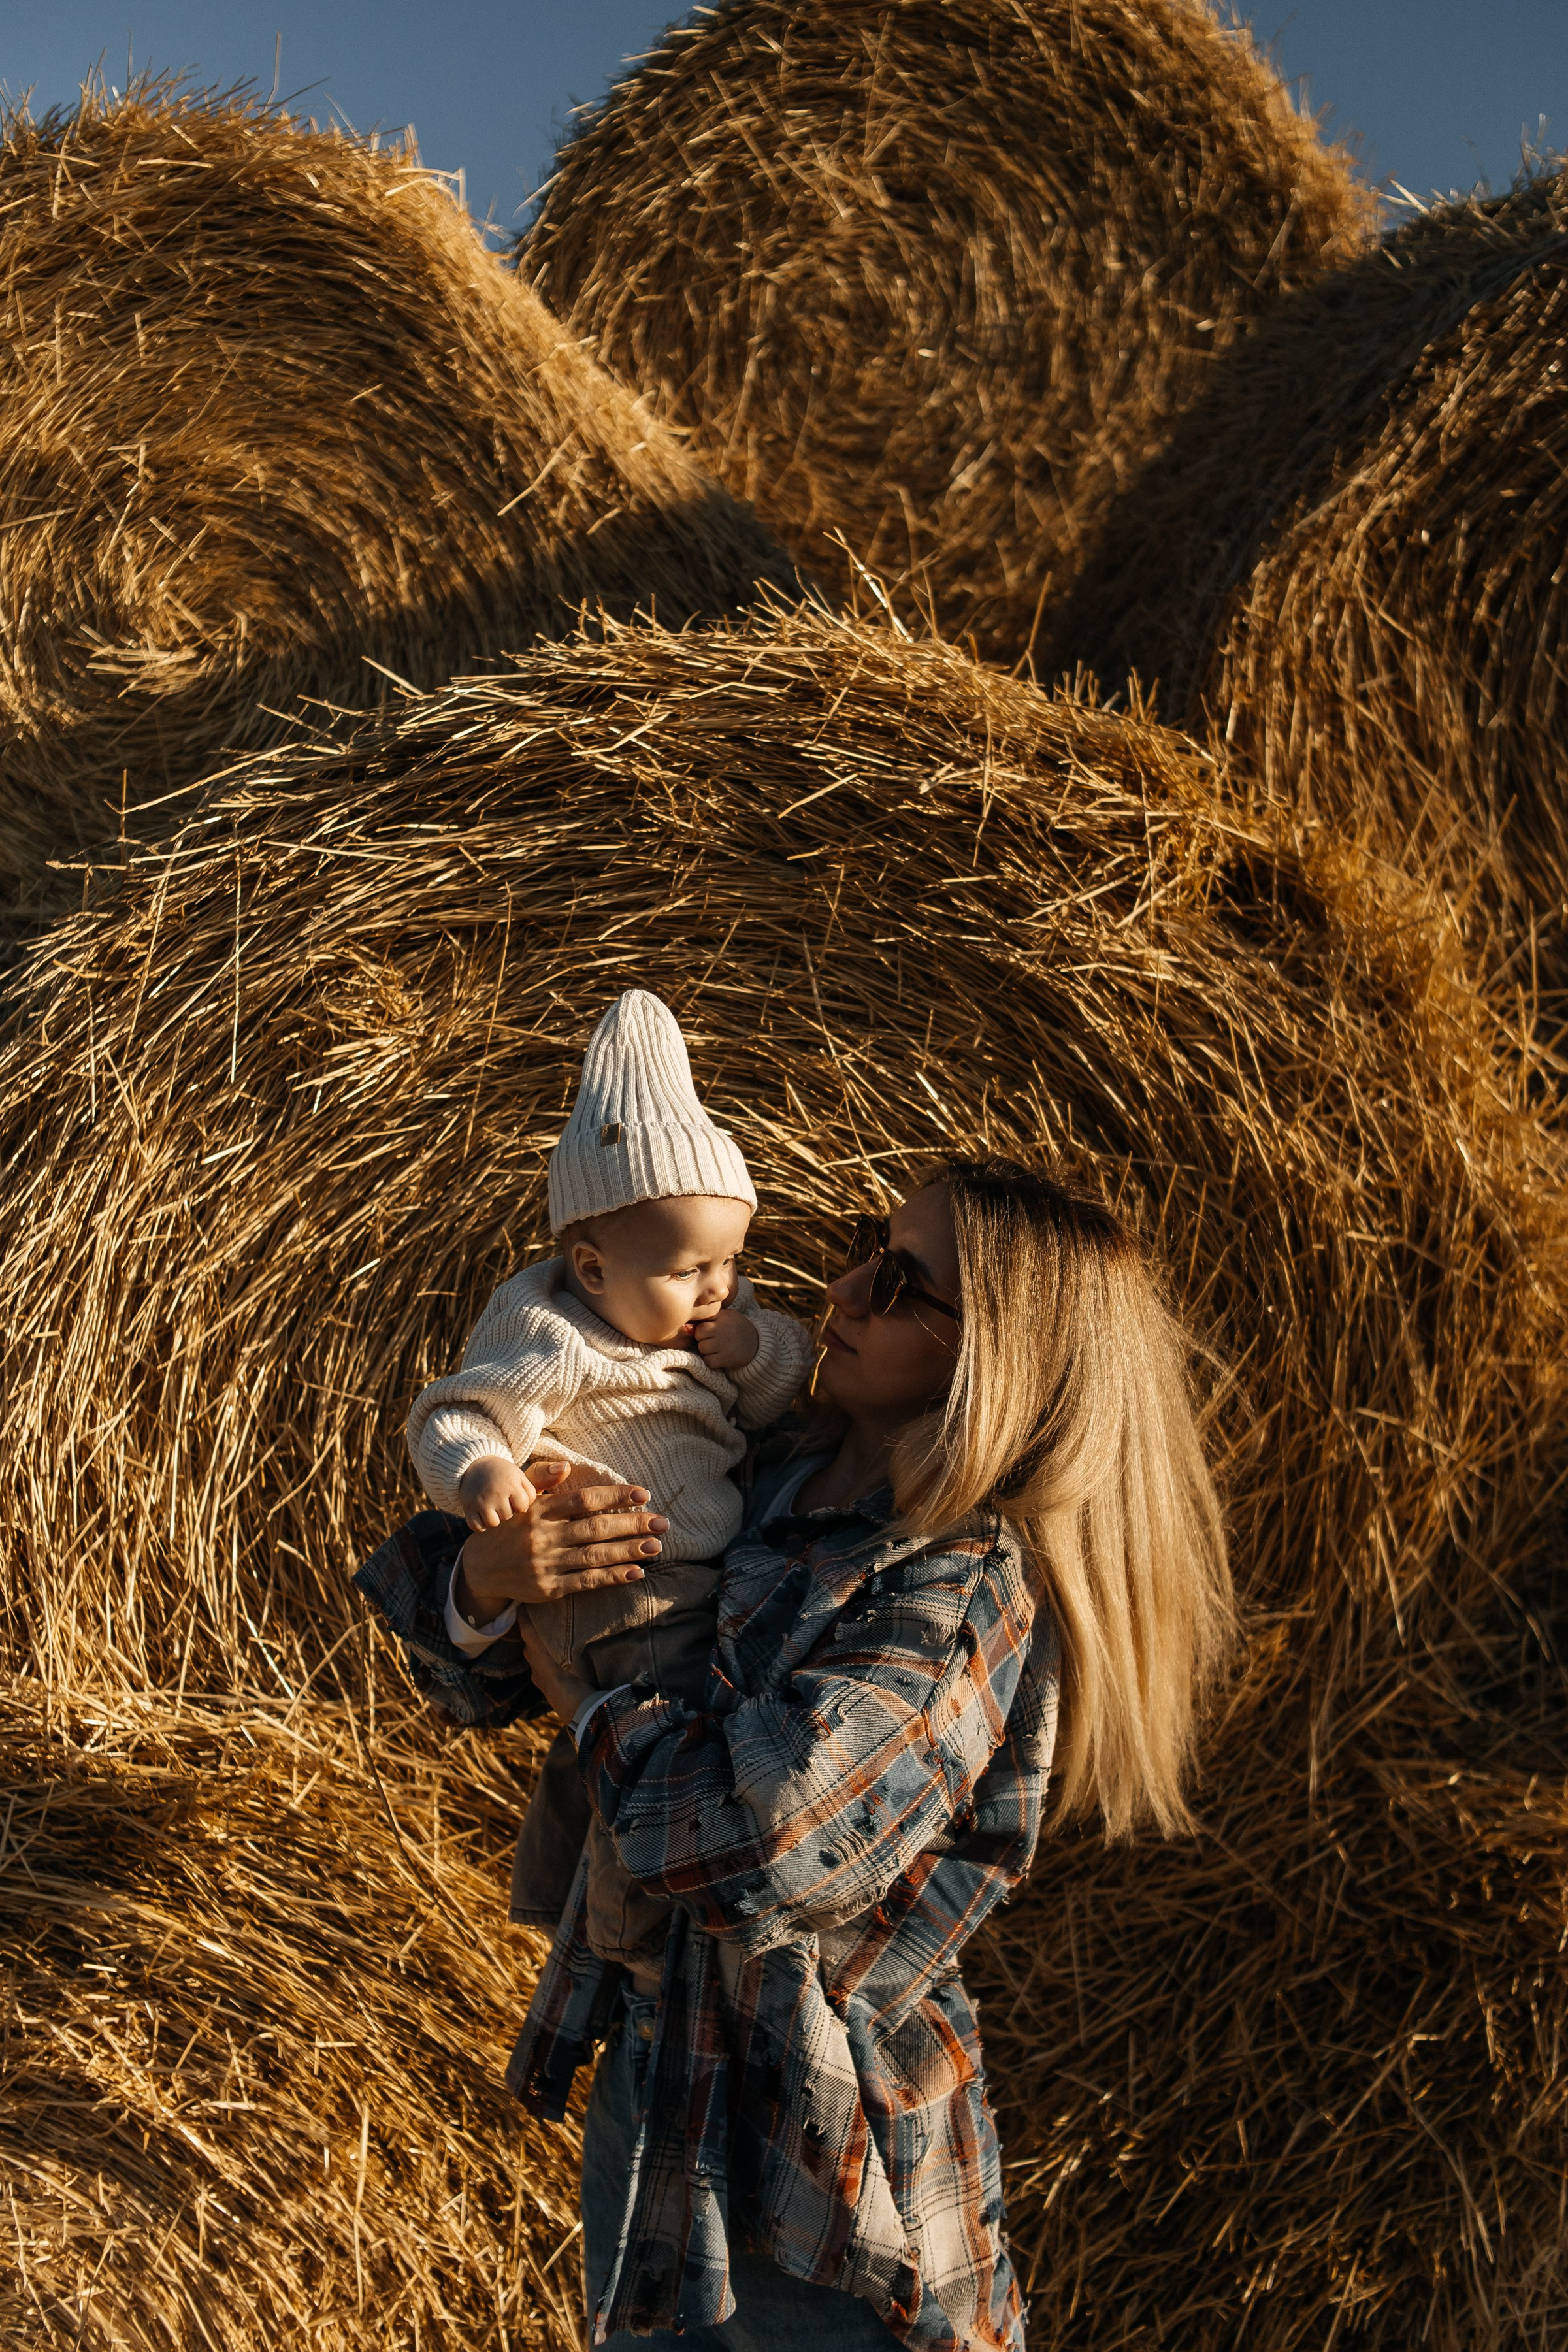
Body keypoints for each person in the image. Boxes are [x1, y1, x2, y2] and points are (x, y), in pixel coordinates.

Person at [358, 1158, 1232, 2352]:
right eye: (874, 1247)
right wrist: (489, 1584)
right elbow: (465, 1665)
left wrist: (583, 1700)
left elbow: (757, 1844)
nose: (844, 1285)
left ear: (1007, 1359)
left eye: (904, 1282)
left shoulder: (958, 1580)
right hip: (660, 2085)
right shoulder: (752, 1463)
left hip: (825, 2153)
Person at [400, 989, 812, 1964]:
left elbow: (780, 1397)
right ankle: (631, 1940)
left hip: (694, 1587)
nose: (717, 1286)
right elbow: (451, 1413)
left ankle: (557, 1896)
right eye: (689, 1270)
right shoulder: (555, 1334)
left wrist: (753, 1348)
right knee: (661, 1734)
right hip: (617, 1592)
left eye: (731, 1261)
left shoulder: (720, 1320)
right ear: (590, 1269)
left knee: (599, 1756)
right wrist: (485, 1472)